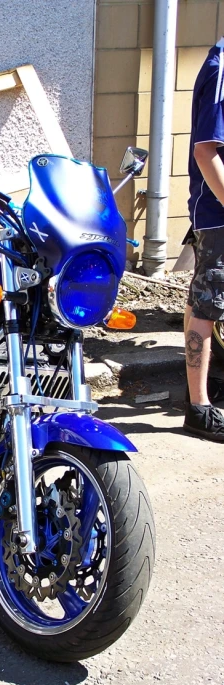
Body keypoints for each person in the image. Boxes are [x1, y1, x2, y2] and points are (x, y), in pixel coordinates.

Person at [184, 37, 224, 442]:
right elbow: (205, 151)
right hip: (218, 215)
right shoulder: (221, 68)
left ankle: (199, 393)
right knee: (208, 305)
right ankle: (198, 408)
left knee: (203, 301)